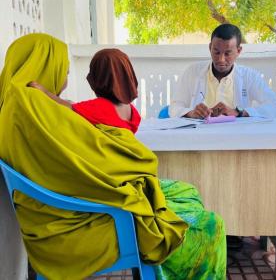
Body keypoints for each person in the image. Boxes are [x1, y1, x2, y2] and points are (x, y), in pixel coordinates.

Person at [0, 34, 226, 280]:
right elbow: (100, 161)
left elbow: (80, 158)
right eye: (63, 71)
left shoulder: (19, 104)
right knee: (210, 224)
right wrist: (135, 175)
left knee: (187, 193)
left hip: (64, 212)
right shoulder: (32, 105)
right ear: (45, 67)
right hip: (82, 222)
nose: (65, 79)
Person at [169, 23, 276, 119]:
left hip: (237, 139)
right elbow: (174, 107)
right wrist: (191, 113)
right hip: (199, 137)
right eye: (216, 52)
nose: (221, 59)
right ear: (210, 48)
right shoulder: (193, 72)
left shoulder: (249, 76)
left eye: (227, 53)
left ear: (238, 51)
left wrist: (239, 112)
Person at [28, 48, 141, 134]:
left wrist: (44, 91)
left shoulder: (101, 107)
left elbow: (68, 107)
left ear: (100, 79)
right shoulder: (133, 112)